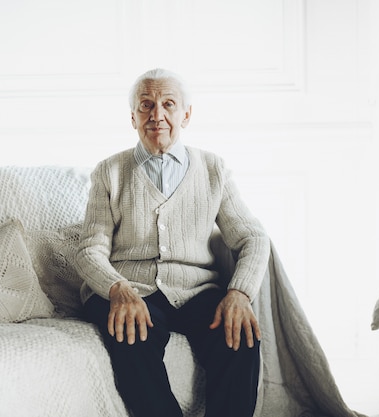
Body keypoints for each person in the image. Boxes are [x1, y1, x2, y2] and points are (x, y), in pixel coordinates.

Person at [75, 68, 271, 417]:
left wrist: (239, 293)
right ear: (133, 116)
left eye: (168, 104)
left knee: (240, 337)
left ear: (186, 114)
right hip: (129, 287)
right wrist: (117, 289)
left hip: (195, 290)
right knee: (132, 333)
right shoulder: (109, 172)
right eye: (146, 105)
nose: (157, 115)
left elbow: (253, 237)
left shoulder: (214, 169)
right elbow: (90, 248)